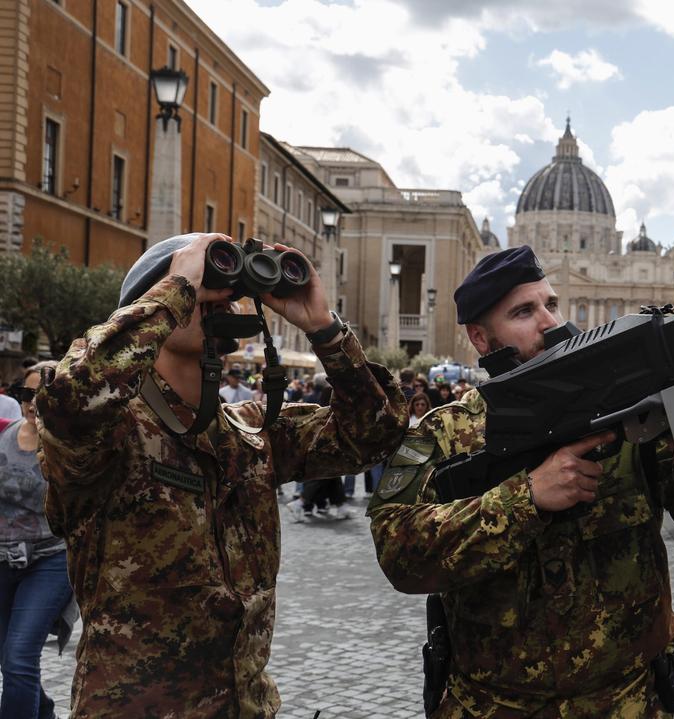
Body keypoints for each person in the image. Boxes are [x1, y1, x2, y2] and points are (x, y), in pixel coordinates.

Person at [367, 245, 674, 716]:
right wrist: (524, 499)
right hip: (493, 706)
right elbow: (399, 555)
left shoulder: (630, 418)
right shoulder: (446, 432)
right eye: (523, 312)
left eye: (551, 304)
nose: (550, 322)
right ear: (480, 337)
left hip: (630, 703)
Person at [35, 232, 408, 717]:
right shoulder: (109, 434)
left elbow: (372, 434)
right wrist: (177, 287)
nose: (213, 301)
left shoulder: (251, 430)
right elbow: (73, 398)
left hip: (245, 705)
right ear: (149, 308)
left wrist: (323, 328)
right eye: (198, 289)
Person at [1, 363, 76, 719]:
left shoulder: (75, 448)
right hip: (3, 560)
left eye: (43, 394)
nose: (33, 403)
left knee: (18, 658)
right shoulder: (2, 436)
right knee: (8, 661)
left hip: (50, 561)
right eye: (27, 394)